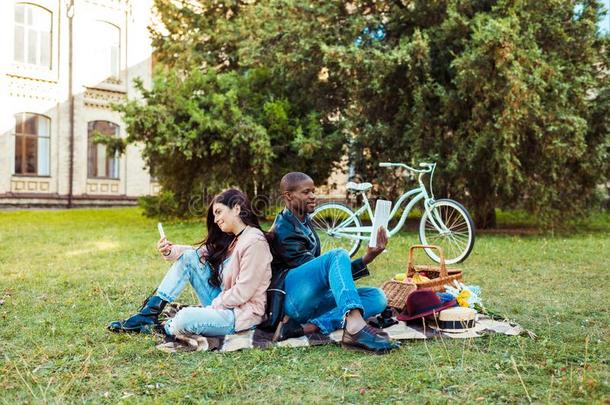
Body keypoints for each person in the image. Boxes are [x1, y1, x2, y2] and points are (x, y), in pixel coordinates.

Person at [108, 189, 273, 337]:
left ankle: (161, 327)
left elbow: (243, 292)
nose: (215, 220)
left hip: (241, 314)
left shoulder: (254, 242)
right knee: (188, 257)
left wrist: (212, 307)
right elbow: (195, 254)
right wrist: (171, 250)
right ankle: (148, 314)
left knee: (185, 317)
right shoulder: (233, 239)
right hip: (224, 303)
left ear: (237, 208)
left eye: (218, 212)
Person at [269, 172, 399, 353]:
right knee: (338, 255)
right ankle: (354, 327)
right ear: (288, 196)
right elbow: (325, 277)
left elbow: (328, 278)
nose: (313, 196)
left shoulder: (303, 220)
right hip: (292, 301)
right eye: (306, 192)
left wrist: (369, 257)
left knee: (376, 296)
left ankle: (307, 328)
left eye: (313, 191)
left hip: (312, 302)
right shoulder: (284, 230)